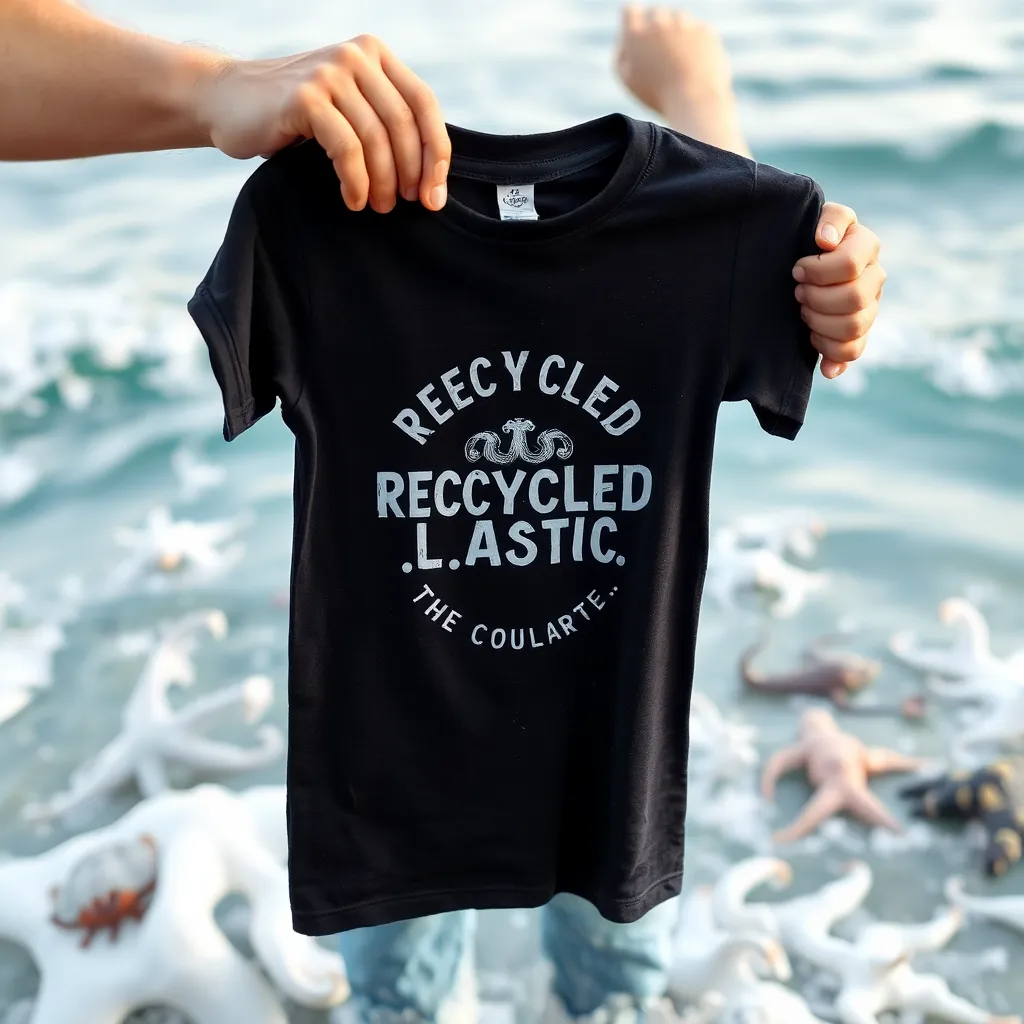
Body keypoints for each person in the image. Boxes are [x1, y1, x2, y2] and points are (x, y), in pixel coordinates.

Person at [1, 2, 884, 1022]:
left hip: (611, 754)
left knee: (608, 982)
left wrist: (792, 242)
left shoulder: (717, 227)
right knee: (444, 996)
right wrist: (701, 101)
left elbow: (729, 233)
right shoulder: (309, 223)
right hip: (390, 768)